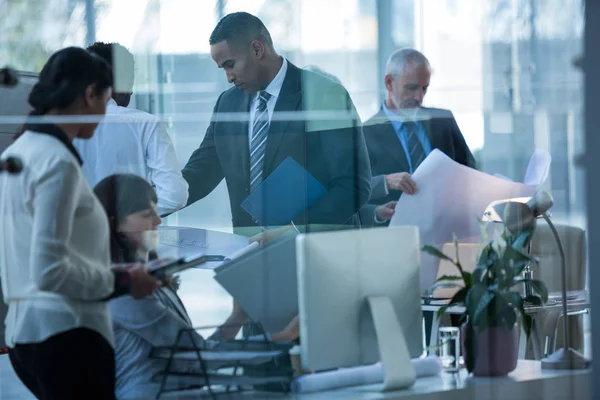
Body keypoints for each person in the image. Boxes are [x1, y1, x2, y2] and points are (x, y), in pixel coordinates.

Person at [0, 47, 160, 400]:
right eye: (105, 100)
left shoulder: (18, 152)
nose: (105, 113)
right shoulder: (56, 163)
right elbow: (49, 271)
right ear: (90, 95)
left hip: (26, 336)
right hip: (67, 336)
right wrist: (123, 280)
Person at [94, 173, 299, 399]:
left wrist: (237, 317)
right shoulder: (129, 292)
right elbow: (202, 358)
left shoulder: (154, 282)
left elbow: (196, 358)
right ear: (115, 225)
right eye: (146, 214)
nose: (159, 220)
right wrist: (285, 336)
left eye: (155, 210)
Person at [182, 12, 371, 239]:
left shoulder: (323, 94)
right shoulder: (228, 103)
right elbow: (201, 171)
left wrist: (292, 232)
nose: (229, 77)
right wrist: (146, 205)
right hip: (251, 250)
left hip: (317, 250)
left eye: (230, 65)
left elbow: (353, 186)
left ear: (257, 50)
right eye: (223, 68)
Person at [360, 48, 476, 226]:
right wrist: (386, 183)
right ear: (389, 83)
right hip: (398, 233)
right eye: (412, 88)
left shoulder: (443, 121)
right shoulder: (365, 133)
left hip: (448, 228)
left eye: (425, 88)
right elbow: (355, 191)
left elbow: (469, 170)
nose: (419, 97)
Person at [73, 42, 188, 217]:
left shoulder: (63, 124)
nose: (131, 93)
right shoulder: (145, 124)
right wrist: (130, 216)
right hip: (129, 238)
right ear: (123, 82)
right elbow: (174, 195)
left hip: (75, 233)